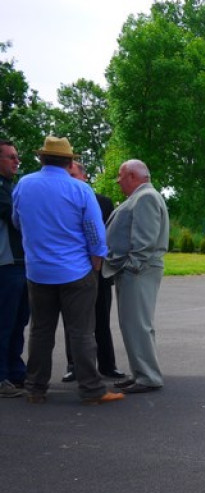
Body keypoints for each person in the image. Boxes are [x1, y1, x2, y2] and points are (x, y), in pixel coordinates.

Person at [11, 136, 123, 405]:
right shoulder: (80, 190)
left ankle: (35, 388)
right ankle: (91, 390)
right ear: (70, 161)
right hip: (75, 270)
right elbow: (95, 235)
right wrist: (96, 264)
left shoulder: (24, 185)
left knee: (40, 331)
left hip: (38, 271)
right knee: (82, 332)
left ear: (41, 158)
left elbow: (17, 222)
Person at [104, 159, 169, 394]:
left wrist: (132, 266)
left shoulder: (146, 198)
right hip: (136, 271)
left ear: (132, 175)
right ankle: (141, 373)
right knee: (134, 324)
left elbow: (145, 239)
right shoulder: (143, 196)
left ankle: (148, 376)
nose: (118, 181)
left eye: (121, 176)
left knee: (137, 324)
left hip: (138, 272)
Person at [61, 160, 125, 383]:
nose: (69, 179)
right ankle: (74, 366)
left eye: (73, 174)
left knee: (101, 320)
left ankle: (108, 365)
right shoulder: (61, 201)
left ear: (85, 177)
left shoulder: (104, 203)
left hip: (98, 271)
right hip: (72, 270)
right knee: (73, 321)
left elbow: (108, 237)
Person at [0, 140, 30, 398]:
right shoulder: (3, 191)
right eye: (11, 157)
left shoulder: (12, 187)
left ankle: (15, 371)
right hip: (6, 264)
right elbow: (15, 214)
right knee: (4, 322)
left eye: (16, 157)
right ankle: (1, 377)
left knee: (19, 321)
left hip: (21, 263)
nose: (16, 161)